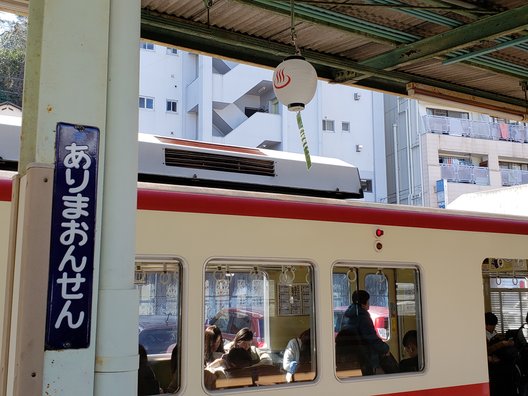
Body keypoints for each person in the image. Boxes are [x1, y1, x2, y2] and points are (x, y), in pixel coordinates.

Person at [340, 289, 390, 375]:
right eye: (368, 301)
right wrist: (385, 348)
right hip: (364, 356)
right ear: (363, 303)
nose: (369, 303)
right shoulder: (363, 317)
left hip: (351, 355)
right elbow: (371, 338)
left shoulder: (347, 314)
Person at [485, 312, 516, 396]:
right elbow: (486, 350)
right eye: (492, 325)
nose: (494, 327)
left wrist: (505, 341)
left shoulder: (494, 332)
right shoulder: (482, 335)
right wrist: (501, 344)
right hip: (493, 366)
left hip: (502, 363)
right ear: (486, 325)